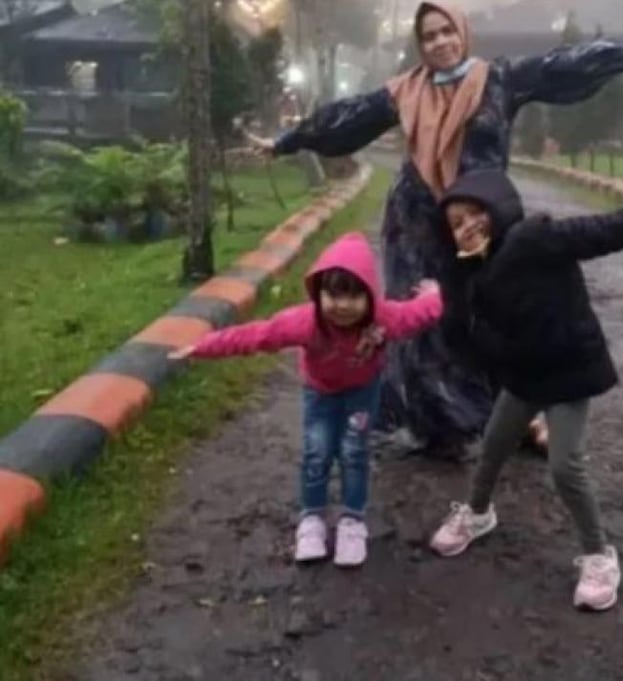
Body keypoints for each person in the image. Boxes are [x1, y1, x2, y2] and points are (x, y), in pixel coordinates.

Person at [248, 1, 623, 461]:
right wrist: (285, 142)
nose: (439, 43)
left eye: (446, 31)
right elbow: (346, 116)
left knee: (493, 315)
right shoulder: (405, 90)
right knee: (421, 319)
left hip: (479, 221)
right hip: (415, 222)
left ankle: (516, 418)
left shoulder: (499, 79)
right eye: (429, 37)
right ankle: (436, 421)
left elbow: (564, 66)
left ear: (463, 32)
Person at [428, 170, 623, 611]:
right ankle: (477, 514)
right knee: (494, 445)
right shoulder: (472, 279)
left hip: (568, 373)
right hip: (523, 378)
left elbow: (603, 231)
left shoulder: (534, 239)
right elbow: (469, 336)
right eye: (456, 224)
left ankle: (599, 556)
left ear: (497, 206)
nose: (467, 227)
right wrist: (444, 299)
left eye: (474, 213)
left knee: (565, 466)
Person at [168, 232, 442, 567]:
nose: (342, 306)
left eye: (354, 296)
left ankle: (352, 521)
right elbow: (255, 335)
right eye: (333, 295)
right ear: (318, 293)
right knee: (318, 451)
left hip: (361, 392)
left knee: (354, 452)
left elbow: (421, 312)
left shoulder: (383, 319)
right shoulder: (305, 322)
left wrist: (434, 294)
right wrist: (202, 347)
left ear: (371, 297)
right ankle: (312, 518)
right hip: (321, 394)